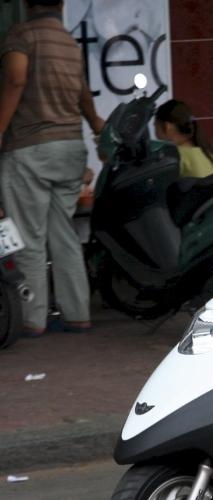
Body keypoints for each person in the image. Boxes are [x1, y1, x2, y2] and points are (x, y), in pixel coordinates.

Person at [0, 0, 104, 337]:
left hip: (31, 147)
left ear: (26, 3)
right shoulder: (68, 42)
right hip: (70, 147)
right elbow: (83, 94)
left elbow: (15, 79)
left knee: (30, 237)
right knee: (65, 235)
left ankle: (33, 319)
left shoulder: (22, 34)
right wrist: (95, 125)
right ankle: (77, 314)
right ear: (60, 4)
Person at [154, 99, 213, 178]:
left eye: (155, 127)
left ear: (167, 127)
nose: (155, 134)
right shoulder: (212, 157)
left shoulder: (175, 156)